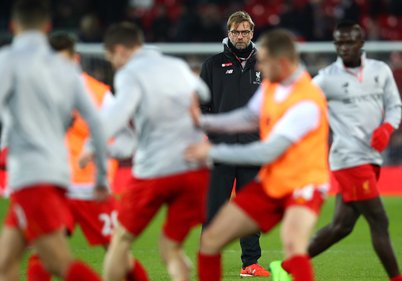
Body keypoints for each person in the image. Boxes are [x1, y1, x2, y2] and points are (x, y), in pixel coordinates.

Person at [185, 28, 330, 281]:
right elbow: (248, 117)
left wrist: (214, 150)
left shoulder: (306, 100)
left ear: (281, 63)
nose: (258, 65)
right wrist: (205, 123)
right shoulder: (273, 85)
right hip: (272, 182)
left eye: (263, 61)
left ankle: (257, 263)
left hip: (303, 184)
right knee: (211, 239)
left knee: (294, 245)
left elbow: (268, 150)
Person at [272, 20, 402, 281]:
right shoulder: (326, 79)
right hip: (348, 158)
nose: (343, 47)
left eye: (349, 41)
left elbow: (395, 105)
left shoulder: (381, 71)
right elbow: (299, 101)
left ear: (361, 43)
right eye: (339, 42)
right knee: (379, 220)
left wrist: (388, 127)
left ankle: (285, 268)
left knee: (341, 227)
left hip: (371, 157)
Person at [79, 22, 211, 281]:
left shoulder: (130, 73)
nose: (113, 63)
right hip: (194, 169)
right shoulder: (176, 66)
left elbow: (118, 114)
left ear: (119, 50)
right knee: (170, 247)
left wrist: (92, 146)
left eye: (111, 58)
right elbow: (203, 93)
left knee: (120, 240)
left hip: (155, 170)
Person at [24, 32, 147, 281]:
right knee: (44, 254)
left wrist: (100, 151)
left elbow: (126, 139)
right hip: (55, 189)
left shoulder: (99, 94)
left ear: (75, 59)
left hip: (93, 189)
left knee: (119, 254)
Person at [0, 1, 108, 281]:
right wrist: (102, 178)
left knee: (58, 262)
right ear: (47, 27)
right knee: (5, 261)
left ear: (13, 26)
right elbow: (97, 122)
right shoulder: (65, 69)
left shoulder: (8, 60)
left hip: (31, 175)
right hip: (58, 171)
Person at [199, 10, 268, 277]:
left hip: (253, 148)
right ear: (228, 33)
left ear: (252, 33)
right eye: (236, 32)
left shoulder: (265, 63)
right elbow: (201, 106)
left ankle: (250, 263)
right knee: (215, 207)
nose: (240, 36)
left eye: (245, 32)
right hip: (222, 149)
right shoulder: (212, 65)